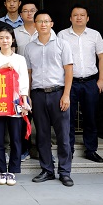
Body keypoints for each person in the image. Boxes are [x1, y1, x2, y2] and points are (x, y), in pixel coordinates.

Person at [25, 10, 74, 187]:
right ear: (35, 24)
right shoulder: (29, 47)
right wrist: (28, 96)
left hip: (58, 93)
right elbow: (29, 74)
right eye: (40, 21)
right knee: (42, 135)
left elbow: (69, 71)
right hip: (38, 95)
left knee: (63, 136)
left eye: (46, 21)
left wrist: (66, 95)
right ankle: (47, 170)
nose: (43, 24)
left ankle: (65, 172)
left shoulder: (62, 44)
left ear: (52, 23)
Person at [57, 5, 103, 163]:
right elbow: (57, 59)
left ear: (87, 18)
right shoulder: (62, 35)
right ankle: (68, 150)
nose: (79, 18)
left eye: (82, 15)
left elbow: (102, 57)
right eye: (75, 15)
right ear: (70, 18)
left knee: (90, 117)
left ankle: (91, 150)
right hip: (70, 83)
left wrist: (101, 79)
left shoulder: (94, 35)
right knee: (68, 118)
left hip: (90, 82)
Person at [0, 29, 30, 187]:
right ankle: (1, 170)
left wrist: (25, 101)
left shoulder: (20, 59)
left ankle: (13, 170)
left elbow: (24, 81)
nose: (5, 40)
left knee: (15, 139)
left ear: (12, 40)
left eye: (7, 37)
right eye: (1, 38)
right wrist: (2, 68)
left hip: (15, 102)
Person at [13, 0, 38, 162]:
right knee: (23, 116)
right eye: (25, 11)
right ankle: (24, 149)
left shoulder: (46, 30)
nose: (29, 13)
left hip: (41, 79)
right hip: (21, 80)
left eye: (32, 10)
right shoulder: (15, 32)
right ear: (20, 14)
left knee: (41, 118)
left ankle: (41, 149)